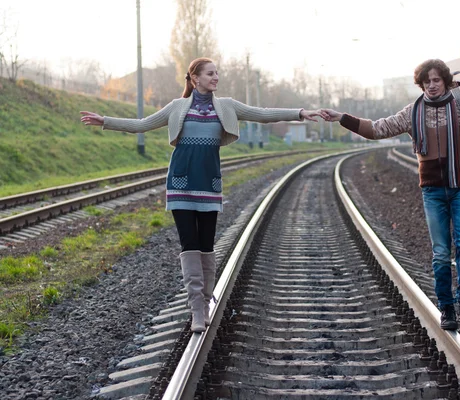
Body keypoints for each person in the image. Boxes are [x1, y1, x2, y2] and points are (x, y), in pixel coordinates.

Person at [81, 57, 322, 333]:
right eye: (210, 73)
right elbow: (142, 125)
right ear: (195, 78)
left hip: (209, 184)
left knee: (207, 247)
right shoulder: (177, 107)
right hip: (180, 184)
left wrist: (300, 113)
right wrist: (105, 121)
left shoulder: (227, 106)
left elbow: (263, 114)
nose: (216, 77)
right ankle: (196, 308)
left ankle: (206, 301)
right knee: (189, 246)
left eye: (217, 73)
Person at [320, 59, 460, 331]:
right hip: (433, 191)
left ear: (447, 81)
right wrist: (342, 117)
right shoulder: (412, 112)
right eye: (427, 82)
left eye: (436, 80)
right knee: (440, 253)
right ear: (421, 84)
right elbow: (377, 129)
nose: (432, 85)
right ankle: (447, 309)